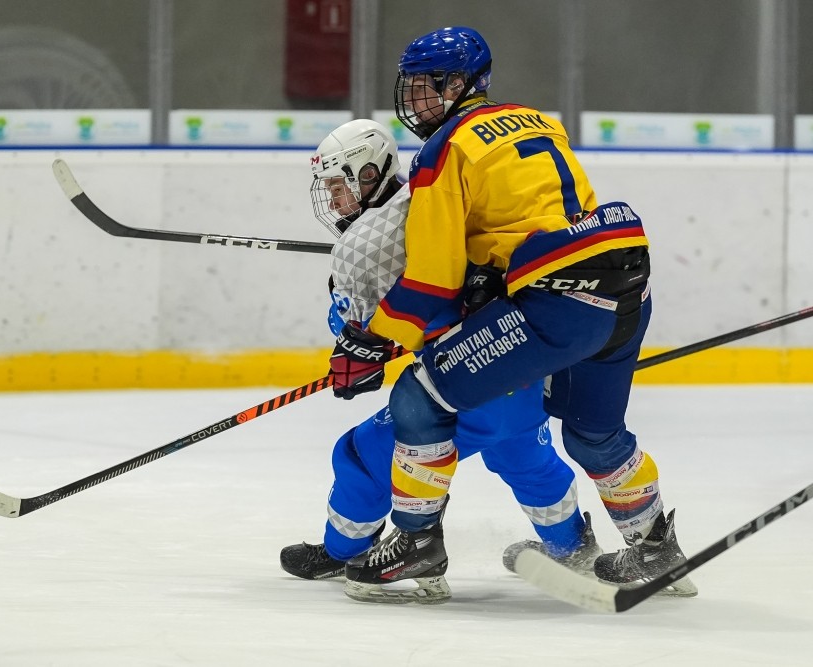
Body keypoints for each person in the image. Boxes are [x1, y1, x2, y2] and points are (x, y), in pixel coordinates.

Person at [326, 27, 697, 602]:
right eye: (413, 85)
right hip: (624, 283)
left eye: (428, 85)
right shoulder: (536, 121)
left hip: (558, 299)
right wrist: (492, 271)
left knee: (419, 400)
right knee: (594, 433)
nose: (416, 98)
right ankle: (654, 549)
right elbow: (541, 218)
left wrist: (371, 341)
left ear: (462, 84)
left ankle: (417, 542)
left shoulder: (444, 149)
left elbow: (430, 281)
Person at [280, 119, 600, 603]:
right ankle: (573, 547)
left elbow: (355, 337)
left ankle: (346, 550)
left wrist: (347, 313)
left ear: (368, 174)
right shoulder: (433, 198)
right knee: (524, 457)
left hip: (465, 385)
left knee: (360, 455)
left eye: (338, 187)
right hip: (521, 368)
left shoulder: (362, 245)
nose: (334, 200)